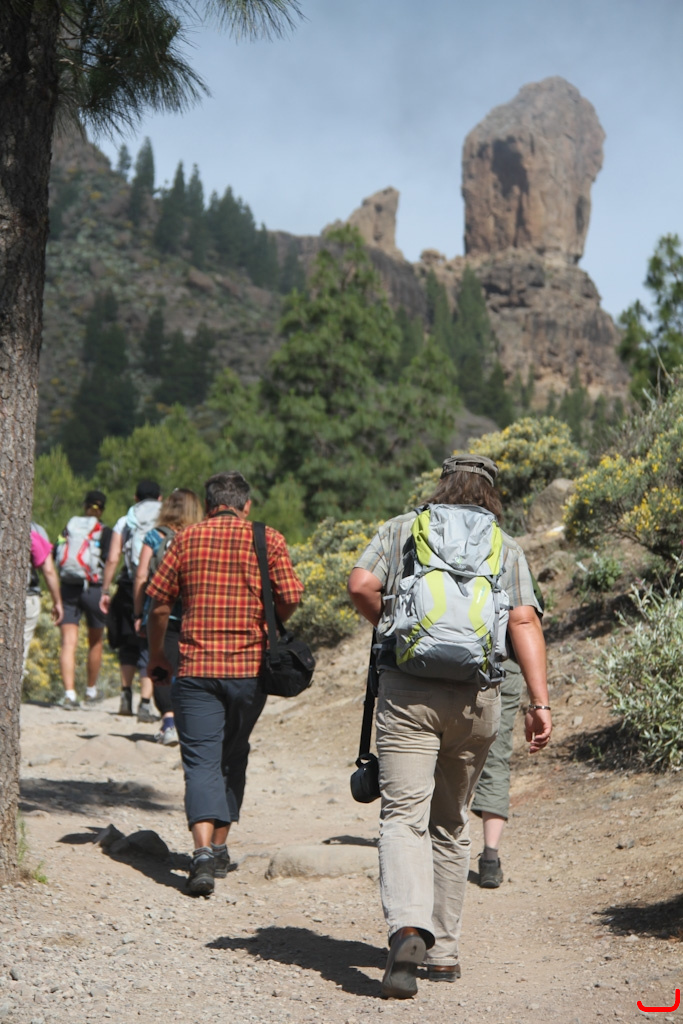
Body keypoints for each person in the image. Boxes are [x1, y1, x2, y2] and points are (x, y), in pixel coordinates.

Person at [347, 453, 552, 999]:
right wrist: (540, 701)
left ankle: (408, 931)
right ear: (491, 493)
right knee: (452, 821)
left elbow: (361, 584)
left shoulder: (403, 530)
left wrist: (395, 628)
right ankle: (444, 954)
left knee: (403, 817)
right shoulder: (504, 545)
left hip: (408, 693)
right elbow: (523, 619)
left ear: (442, 485)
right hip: (476, 700)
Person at [146, 471, 303, 896]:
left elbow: (158, 604)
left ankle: (200, 855)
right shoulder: (268, 538)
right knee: (233, 754)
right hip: (250, 670)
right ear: (245, 505)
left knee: (201, 761)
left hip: (196, 668)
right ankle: (218, 848)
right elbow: (291, 596)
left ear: (210, 504)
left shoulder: (185, 539)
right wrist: (269, 624)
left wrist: (157, 654)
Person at [133, 488, 204, 746]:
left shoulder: (155, 535)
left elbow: (141, 575)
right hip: (193, 612)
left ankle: (169, 722)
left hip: (160, 612)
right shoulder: (198, 536)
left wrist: (138, 612)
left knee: (161, 665)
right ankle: (192, 724)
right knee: (191, 668)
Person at [100, 480, 162, 721]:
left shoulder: (126, 520)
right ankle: (145, 703)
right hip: (158, 583)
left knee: (128, 640)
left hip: (128, 583)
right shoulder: (165, 517)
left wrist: (105, 589)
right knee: (149, 641)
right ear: (160, 498)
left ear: (136, 498)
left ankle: (126, 695)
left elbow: (113, 557)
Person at [470, 659, 525, 888]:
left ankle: (436, 847)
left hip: (443, 664)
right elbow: (527, 633)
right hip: (500, 665)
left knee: (443, 755)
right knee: (495, 755)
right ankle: (490, 860)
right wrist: (540, 702)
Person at [55, 490, 111, 707]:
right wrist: (106, 590)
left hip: (68, 588)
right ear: (102, 509)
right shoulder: (104, 531)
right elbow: (110, 559)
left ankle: (69, 694)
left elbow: (56, 551)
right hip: (93, 590)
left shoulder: (69, 527)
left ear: (85, 505)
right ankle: (90, 690)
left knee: (68, 643)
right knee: (95, 641)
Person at [24, 523, 63, 675]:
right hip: (27, 597)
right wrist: (57, 602)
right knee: (17, 652)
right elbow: (48, 570)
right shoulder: (34, 529)